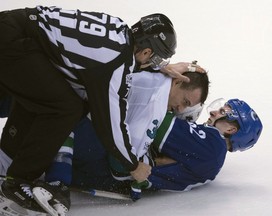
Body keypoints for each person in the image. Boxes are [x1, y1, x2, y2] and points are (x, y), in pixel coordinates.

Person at [0, 5, 195, 214]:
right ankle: (17, 182)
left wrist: (159, 66)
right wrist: (133, 165)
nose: (152, 64)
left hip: (14, 30)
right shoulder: (116, 64)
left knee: (48, 100)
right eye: (154, 59)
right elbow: (111, 126)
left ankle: (7, 170)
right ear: (146, 51)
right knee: (65, 108)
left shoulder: (118, 30)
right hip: (15, 42)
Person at [44, 97, 263, 198]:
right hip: (110, 176)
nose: (214, 113)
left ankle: (55, 184)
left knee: (72, 106)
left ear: (232, 130)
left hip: (113, 166)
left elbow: (155, 122)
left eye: (223, 112)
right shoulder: (211, 159)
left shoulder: (212, 145)